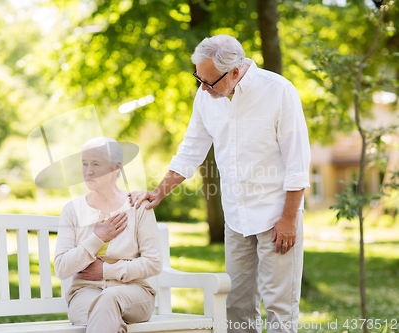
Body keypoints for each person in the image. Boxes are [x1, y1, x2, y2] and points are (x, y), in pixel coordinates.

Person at [129, 35, 310, 333]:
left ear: (236, 71)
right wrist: (158, 193)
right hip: (236, 218)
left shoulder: (279, 91)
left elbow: (297, 161)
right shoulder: (206, 95)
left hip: (277, 215)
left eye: (209, 81)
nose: (202, 87)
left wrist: (289, 218)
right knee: (236, 305)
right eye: (198, 78)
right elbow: (191, 149)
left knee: (280, 305)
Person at [54, 137, 162, 333]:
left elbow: (153, 262)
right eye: (84, 164)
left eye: (96, 163)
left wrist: (106, 271)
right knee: (104, 312)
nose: (88, 171)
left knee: (108, 300)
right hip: (84, 293)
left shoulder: (138, 206)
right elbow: (62, 268)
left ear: (116, 167)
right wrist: (97, 238)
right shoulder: (72, 210)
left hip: (134, 294)